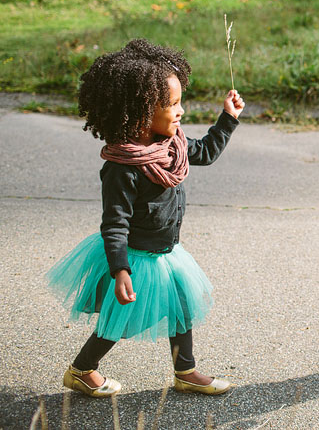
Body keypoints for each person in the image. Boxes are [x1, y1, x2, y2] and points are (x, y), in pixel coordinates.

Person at [47, 38, 245, 396]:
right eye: (172, 104)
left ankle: (185, 371)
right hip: (137, 257)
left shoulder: (171, 145)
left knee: (182, 307)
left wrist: (228, 118)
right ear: (139, 112)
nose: (181, 111)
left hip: (168, 251)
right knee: (117, 322)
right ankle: (81, 369)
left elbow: (207, 152)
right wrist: (120, 268)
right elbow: (115, 223)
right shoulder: (123, 167)